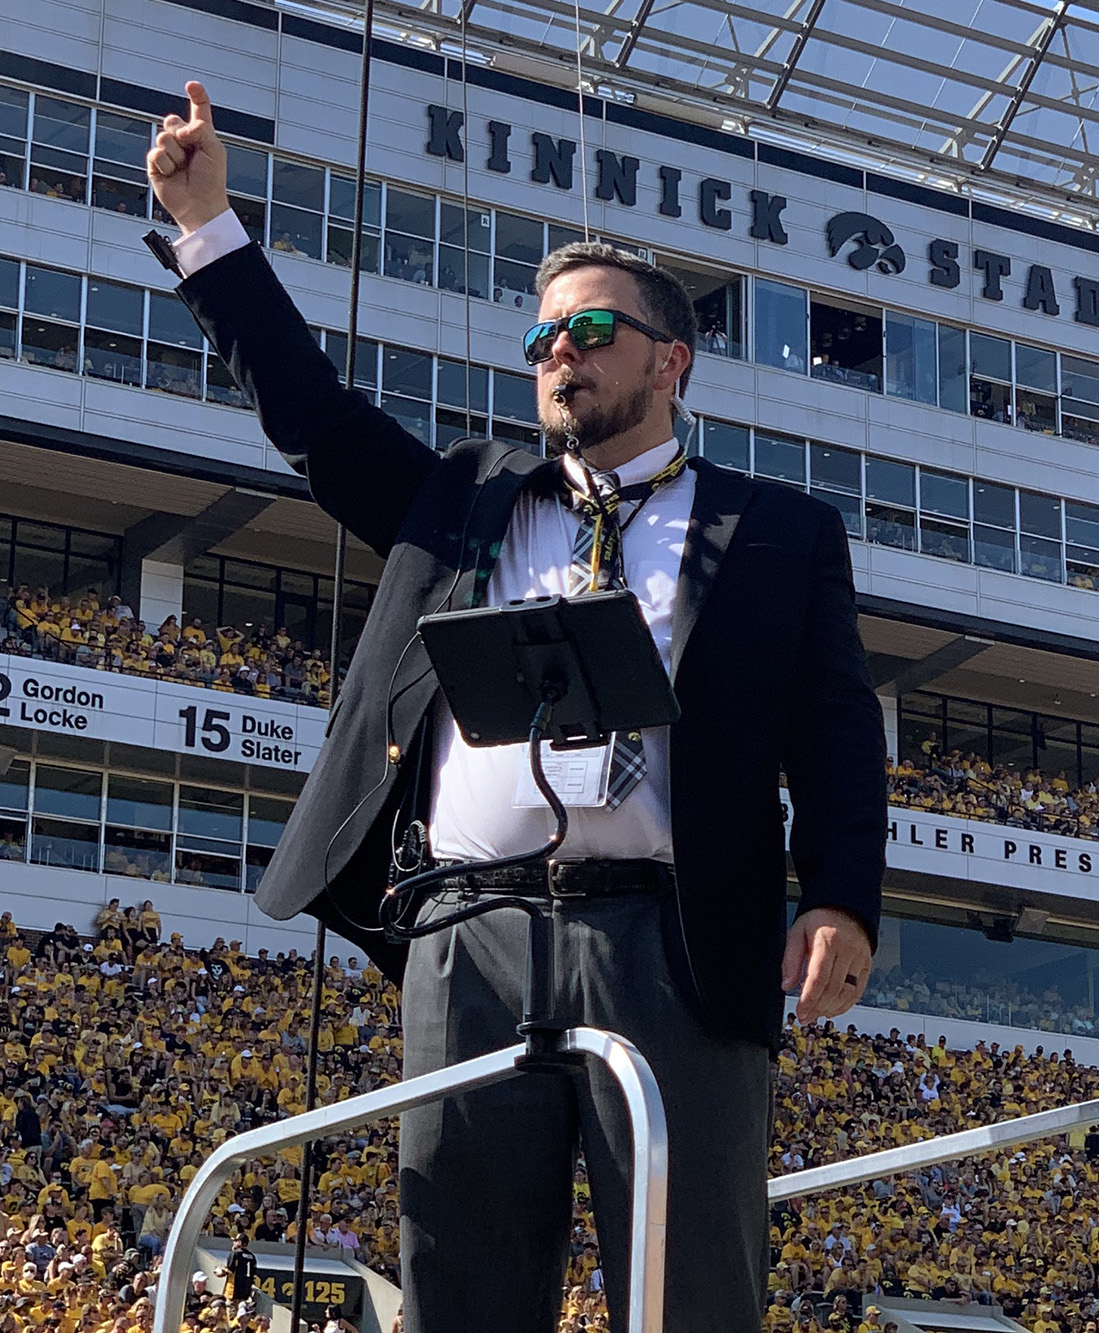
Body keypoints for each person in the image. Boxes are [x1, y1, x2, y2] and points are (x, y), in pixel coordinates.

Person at [146, 82, 886, 1333]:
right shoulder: (466, 498)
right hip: (467, 932)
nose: (559, 354)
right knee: (462, 1285)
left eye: (590, 329)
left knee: (694, 1283)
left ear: (670, 358)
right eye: (542, 338)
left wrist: (837, 894)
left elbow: (834, 726)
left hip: (674, 938)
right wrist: (210, 225)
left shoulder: (777, 533)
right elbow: (312, 416)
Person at [218, 1236, 258, 1303]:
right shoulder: (252, 1256)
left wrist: (221, 1270)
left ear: (239, 1242)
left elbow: (230, 1270)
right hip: (246, 1291)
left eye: (235, 1241)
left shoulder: (235, 1253)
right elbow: (254, 1272)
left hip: (233, 1291)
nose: (233, 1243)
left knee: (231, 1310)